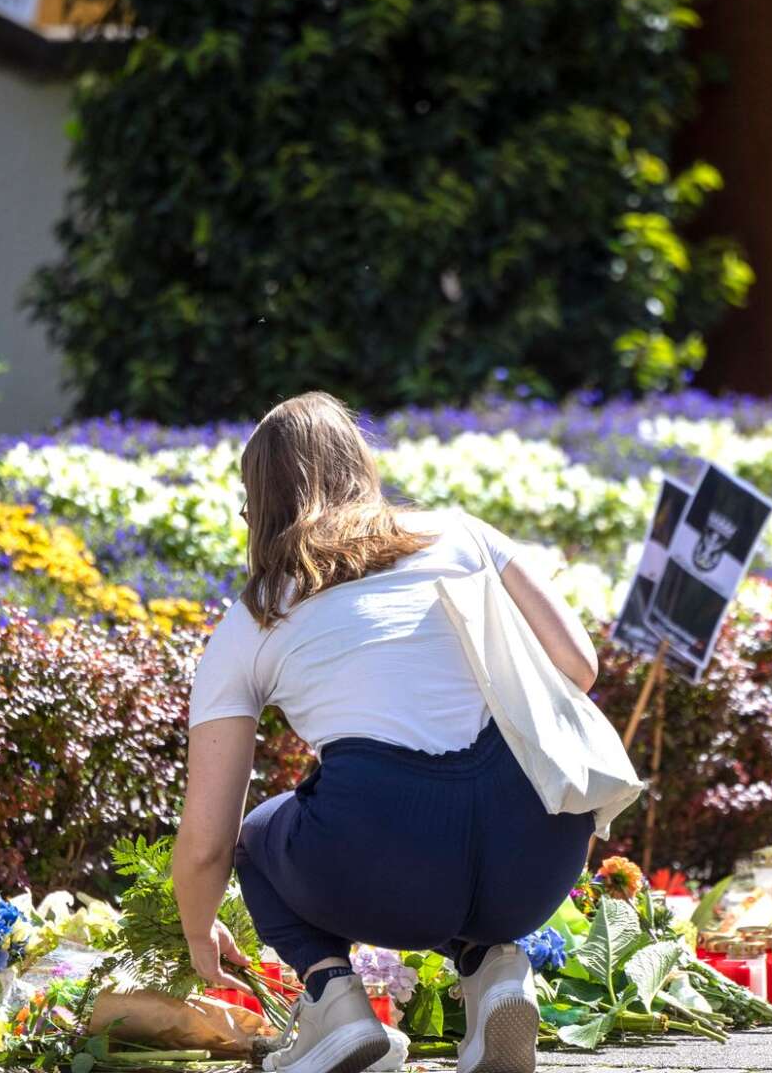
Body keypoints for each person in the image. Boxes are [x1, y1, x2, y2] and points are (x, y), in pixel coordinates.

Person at [173, 392, 599, 1073]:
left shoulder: (252, 619)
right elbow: (578, 666)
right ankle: (494, 971)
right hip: (541, 850)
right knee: (462, 829)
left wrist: (199, 932)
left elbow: (205, 844)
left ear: (260, 504)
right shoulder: (463, 534)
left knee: (257, 837)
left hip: (386, 865)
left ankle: (335, 1007)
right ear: (360, 466)